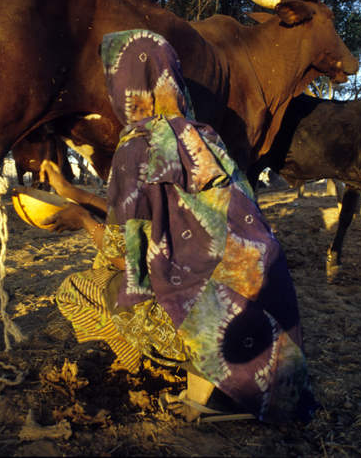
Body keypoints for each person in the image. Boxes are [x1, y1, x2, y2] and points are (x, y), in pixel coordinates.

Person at [37, 29, 319, 424]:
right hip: (268, 308)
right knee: (193, 268)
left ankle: (206, 392)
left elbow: (126, 259)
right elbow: (158, 218)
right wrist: (78, 194)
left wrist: (80, 220)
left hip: (217, 318)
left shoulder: (136, 145)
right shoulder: (204, 138)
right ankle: (212, 385)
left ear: (126, 86)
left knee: (81, 287)